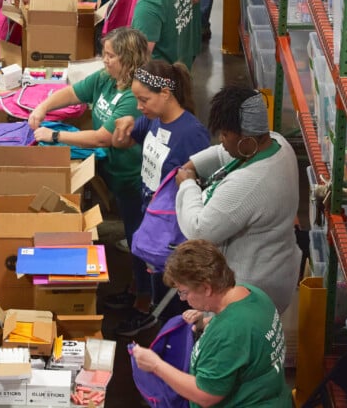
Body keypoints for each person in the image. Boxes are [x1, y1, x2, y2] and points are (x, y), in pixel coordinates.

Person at [29, 27, 148, 290]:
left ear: (128, 59)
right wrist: (43, 107)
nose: (104, 60)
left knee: (138, 237)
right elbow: (73, 93)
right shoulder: (107, 78)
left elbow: (101, 138)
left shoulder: (134, 96)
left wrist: (56, 137)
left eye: (110, 56)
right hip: (109, 167)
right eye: (104, 54)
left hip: (131, 177)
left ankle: (143, 296)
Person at [175, 86, 300, 314]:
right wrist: (193, 165)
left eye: (225, 134)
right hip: (278, 269)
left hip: (251, 292)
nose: (221, 141)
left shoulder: (249, 183)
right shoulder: (276, 143)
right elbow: (224, 153)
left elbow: (199, 230)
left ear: (246, 139)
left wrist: (187, 184)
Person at [109, 60, 210, 336]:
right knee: (154, 277)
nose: (139, 106)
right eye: (136, 100)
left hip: (174, 231)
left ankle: (173, 332)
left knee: (174, 291)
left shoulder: (191, 134)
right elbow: (130, 137)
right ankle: (153, 310)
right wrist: (127, 123)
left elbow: (206, 186)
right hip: (152, 217)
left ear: (165, 94)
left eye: (144, 100)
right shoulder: (154, 119)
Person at [132, 240, 290, 407]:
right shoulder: (251, 293)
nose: (182, 299)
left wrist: (156, 366)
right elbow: (246, 335)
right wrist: (205, 323)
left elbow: (205, 395)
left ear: (206, 288)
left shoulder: (228, 332)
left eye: (184, 292)